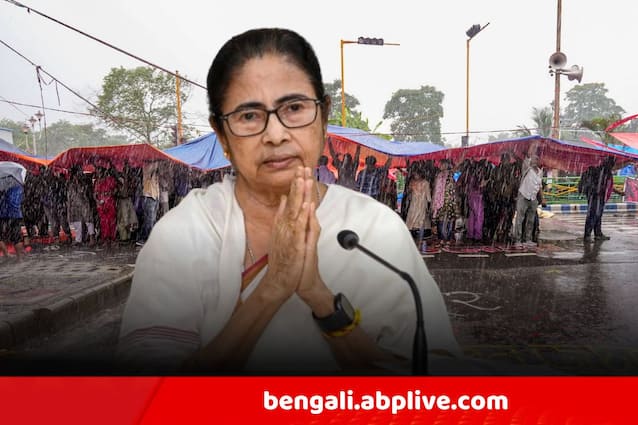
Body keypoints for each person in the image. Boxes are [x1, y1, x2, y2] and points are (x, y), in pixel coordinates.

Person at [118, 28, 460, 374]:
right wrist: (273, 287)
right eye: (249, 116)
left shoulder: (373, 230)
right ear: (222, 135)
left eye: (294, 108)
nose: (276, 134)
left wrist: (322, 301)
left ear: (323, 118)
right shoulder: (185, 234)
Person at [512, 154, 542, 249]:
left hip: (533, 198)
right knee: (520, 219)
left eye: (536, 159)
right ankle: (518, 240)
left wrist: (541, 198)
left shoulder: (540, 172)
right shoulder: (527, 169)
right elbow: (528, 156)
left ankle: (528, 239)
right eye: (533, 159)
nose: (535, 161)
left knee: (530, 219)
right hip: (523, 195)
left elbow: (539, 186)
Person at [0, 180, 25, 259]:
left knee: (1, 236)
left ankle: (6, 254)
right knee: (16, 237)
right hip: (15, 214)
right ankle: (20, 258)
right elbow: (16, 201)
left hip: (2, 214)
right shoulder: (19, 186)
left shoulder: (2, 185)